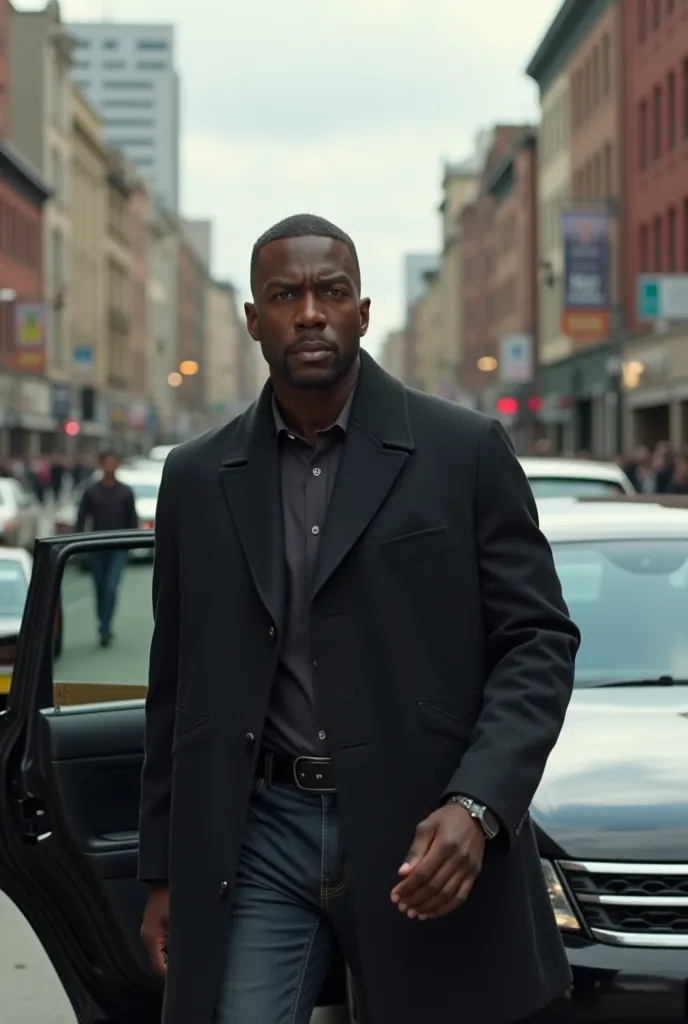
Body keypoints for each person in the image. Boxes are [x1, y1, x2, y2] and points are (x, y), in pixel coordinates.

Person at [138, 213, 580, 1024]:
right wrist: (163, 871)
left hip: (422, 830)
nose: (310, 312)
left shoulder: (464, 449)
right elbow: (176, 681)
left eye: (330, 292)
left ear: (363, 311)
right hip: (256, 835)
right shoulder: (197, 476)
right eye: (285, 295)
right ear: (253, 322)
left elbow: (539, 642)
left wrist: (478, 804)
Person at [76, 450, 138, 646]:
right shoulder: (91, 491)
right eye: (106, 463)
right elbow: (81, 519)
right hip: (96, 546)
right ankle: (102, 621)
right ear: (101, 465)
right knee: (100, 587)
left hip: (118, 547)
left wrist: (132, 543)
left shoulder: (126, 492)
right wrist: (79, 544)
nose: (110, 466)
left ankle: (105, 627)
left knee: (111, 586)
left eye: (113, 462)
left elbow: (132, 520)